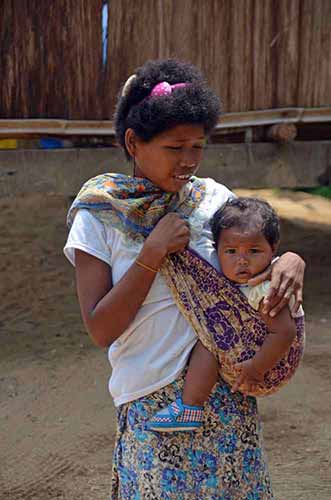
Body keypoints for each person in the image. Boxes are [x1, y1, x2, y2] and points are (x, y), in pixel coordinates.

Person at [64, 59, 305, 499]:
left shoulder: (213, 201)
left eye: (198, 147)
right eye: (176, 148)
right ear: (134, 143)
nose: (189, 161)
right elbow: (100, 329)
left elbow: (251, 268)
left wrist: (290, 260)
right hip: (153, 402)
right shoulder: (100, 215)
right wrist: (151, 254)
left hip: (225, 392)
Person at [147, 197, 305, 432]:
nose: (242, 260)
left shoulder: (266, 289)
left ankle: (191, 405)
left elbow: (284, 332)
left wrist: (256, 367)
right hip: (252, 349)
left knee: (211, 341)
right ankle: (191, 407)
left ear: (273, 248)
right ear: (216, 250)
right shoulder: (238, 283)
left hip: (267, 361)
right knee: (209, 338)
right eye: (231, 251)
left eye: (254, 251)